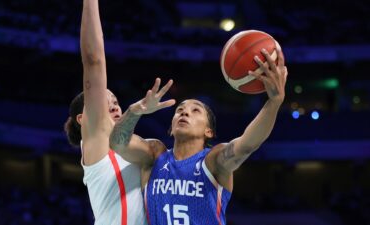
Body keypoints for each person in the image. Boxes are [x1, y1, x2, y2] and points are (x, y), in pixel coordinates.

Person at [109, 45, 288, 224]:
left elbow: (247, 145)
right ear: (171, 128)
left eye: (195, 111)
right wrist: (134, 111)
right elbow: (117, 143)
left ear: (208, 131)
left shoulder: (212, 161)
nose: (184, 113)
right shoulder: (155, 155)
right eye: (179, 110)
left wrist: (274, 102)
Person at [63, 0, 174, 224]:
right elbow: (94, 61)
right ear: (83, 120)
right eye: (105, 103)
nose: (114, 106)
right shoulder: (95, 140)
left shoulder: (142, 145)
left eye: (115, 101)